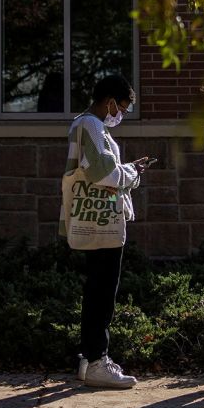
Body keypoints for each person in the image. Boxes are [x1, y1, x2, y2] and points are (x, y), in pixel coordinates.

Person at [61, 74, 154, 389]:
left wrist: (127, 171)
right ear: (110, 101)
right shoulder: (91, 125)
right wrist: (132, 172)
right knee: (103, 291)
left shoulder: (86, 125)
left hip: (97, 219)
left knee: (97, 289)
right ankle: (98, 359)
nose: (122, 115)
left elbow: (100, 168)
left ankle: (89, 358)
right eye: (123, 108)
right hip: (103, 221)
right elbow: (104, 173)